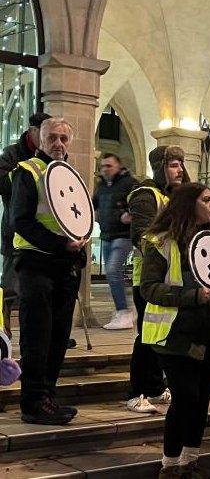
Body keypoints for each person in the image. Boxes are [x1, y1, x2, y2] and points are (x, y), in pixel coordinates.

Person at [139, 183, 210, 478]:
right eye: (206, 200)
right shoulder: (161, 242)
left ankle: (190, 460)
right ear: (188, 204)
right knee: (185, 397)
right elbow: (149, 288)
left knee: (203, 397)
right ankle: (169, 465)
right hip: (174, 335)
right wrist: (192, 296)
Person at [10, 118, 87, 425]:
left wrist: (79, 247)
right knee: (37, 336)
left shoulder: (71, 175)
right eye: (52, 138)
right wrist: (60, 245)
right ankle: (33, 403)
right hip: (36, 263)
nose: (58, 143)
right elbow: (21, 221)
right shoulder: (27, 171)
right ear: (39, 139)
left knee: (58, 336)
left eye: (64, 138)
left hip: (65, 266)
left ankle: (48, 397)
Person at [125, 145, 190, 414]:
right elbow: (141, 235)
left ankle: (153, 386)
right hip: (149, 278)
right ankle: (136, 392)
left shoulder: (174, 196)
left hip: (172, 277)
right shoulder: (146, 194)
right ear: (160, 167)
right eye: (173, 164)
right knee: (147, 334)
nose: (179, 169)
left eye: (181, 163)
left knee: (160, 335)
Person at [0, 112, 49, 334]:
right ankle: (4, 330)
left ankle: (45, 330)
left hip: (44, 232)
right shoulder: (13, 154)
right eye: (46, 133)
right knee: (11, 285)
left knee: (42, 288)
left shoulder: (51, 156)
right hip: (16, 229)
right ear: (33, 131)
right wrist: (25, 181)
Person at [93, 152, 137, 330]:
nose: (105, 170)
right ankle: (125, 309)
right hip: (107, 234)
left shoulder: (129, 183)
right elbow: (93, 204)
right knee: (113, 274)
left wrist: (128, 215)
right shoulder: (102, 186)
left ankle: (123, 312)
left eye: (109, 166)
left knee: (112, 270)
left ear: (118, 166)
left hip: (123, 235)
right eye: (102, 166)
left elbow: (139, 202)